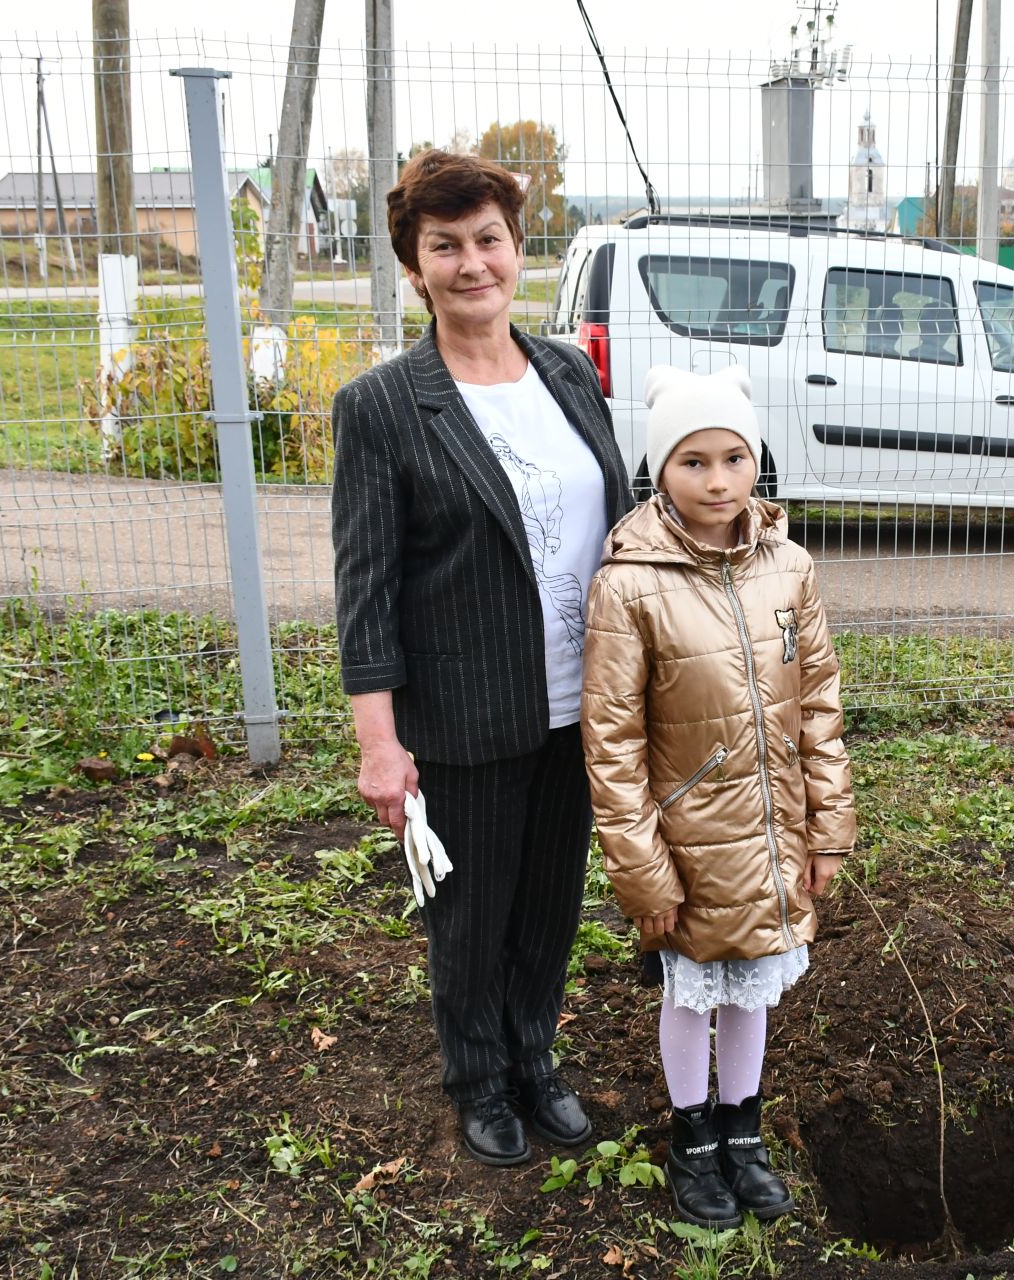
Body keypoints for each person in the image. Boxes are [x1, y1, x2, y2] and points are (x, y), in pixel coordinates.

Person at [330, 150, 632, 1166]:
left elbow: (622, 529)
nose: (472, 264)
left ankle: (533, 1056)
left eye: (487, 238)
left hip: (579, 704)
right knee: (469, 919)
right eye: (444, 246)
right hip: (464, 713)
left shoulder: (565, 372)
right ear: (416, 268)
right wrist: (379, 742)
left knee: (550, 903)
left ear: (517, 244)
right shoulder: (382, 407)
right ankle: (477, 1076)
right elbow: (366, 587)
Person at [580, 365, 856, 1227]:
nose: (717, 480)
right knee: (692, 987)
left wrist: (830, 829)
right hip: (687, 842)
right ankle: (692, 1139)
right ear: (660, 469)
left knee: (754, 986)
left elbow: (818, 704)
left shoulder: (790, 568)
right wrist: (644, 877)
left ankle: (744, 1132)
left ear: (755, 460)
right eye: (692, 461)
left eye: (734, 457)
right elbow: (612, 743)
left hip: (775, 834)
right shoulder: (629, 585)